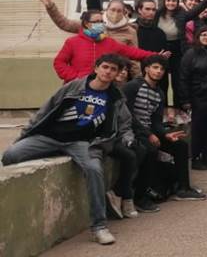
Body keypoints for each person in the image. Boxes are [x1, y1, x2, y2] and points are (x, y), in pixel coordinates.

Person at [2, 54, 132, 245]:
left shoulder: (116, 98)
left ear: (117, 74)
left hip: (82, 144)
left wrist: (128, 138)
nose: (108, 72)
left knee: (94, 170)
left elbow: (125, 123)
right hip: (50, 137)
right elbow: (46, 110)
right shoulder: (74, 86)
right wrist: (25, 134)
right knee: (11, 154)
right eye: (105, 67)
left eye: (113, 69)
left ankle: (99, 226)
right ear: (96, 68)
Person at [124, 55, 207, 206]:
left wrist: (165, 134)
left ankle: (183, 188)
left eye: (162, 69)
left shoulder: (159, 93)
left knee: (180, 146)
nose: (159, 71)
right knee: (150, 151)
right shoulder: (132, 86)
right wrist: (149, 135)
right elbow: (127, 116)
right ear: (146, 69)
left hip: (150, 132)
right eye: (155, 67)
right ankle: (140, 197)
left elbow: (156, 122)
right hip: (132, 132)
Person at [53, 10, 160, 83]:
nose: (100, 24)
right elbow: (59, 62)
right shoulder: (73, 42)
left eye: (101, 21)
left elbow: (132, 52)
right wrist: (74, 77)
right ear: (86, 23)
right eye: (96, 22)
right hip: (77, 88)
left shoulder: (109, 42)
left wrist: (155, 56)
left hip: (103, 88)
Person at [179, 26, 207, 170]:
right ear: (198, 37)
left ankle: (206, 156)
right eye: (203, 35)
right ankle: (196, 159)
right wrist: (185, 100)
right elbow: (183, 78)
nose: (206, 37)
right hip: (198, 97)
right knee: (199, 130)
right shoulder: (190, 54)